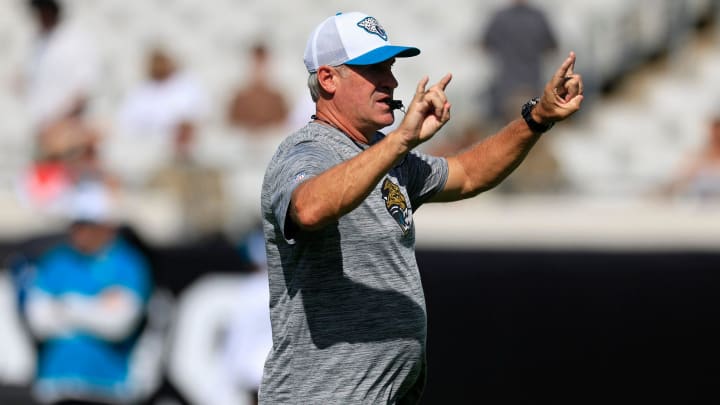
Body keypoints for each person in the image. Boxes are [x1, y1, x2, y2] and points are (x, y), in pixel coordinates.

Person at [259, 11, 583, 404]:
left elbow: (467, 174)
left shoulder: (385, 155)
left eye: (390, 67)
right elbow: (309, 208)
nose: (391, 81)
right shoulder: (306, 151)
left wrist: (536, 118)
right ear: (328, 79)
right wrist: (399, 141)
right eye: (372, 68)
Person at [20, 182, 154, 405]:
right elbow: (38, 320)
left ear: (106, 225)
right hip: (56, 383)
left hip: (109, 386)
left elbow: (119, 324)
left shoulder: (128, 264)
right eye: (76, 224)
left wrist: (64, 307)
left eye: (87, 224)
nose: (79, 232)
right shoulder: (56, 261)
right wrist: (94, 307)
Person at [23, 0, 100, 130]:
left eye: (43, 10)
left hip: (69, 127)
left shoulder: (76, 40)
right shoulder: (39, 42)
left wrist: (60, 120)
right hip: (44, 129)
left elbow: (84, 90)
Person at [481, 0, 558, 125]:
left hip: (507, 86)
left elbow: (485, 45)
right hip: (532, 83)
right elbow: (552, 47)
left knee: (511, 131)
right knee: (532, 126)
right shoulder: (538, 17)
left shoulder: (501, 17)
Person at [226, 43, 290, 132]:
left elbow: (283, 128)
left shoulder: (278, 99)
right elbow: (232, 128)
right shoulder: (239, 99)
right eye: (256, 65)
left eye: (262, 66)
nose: (259, 70)